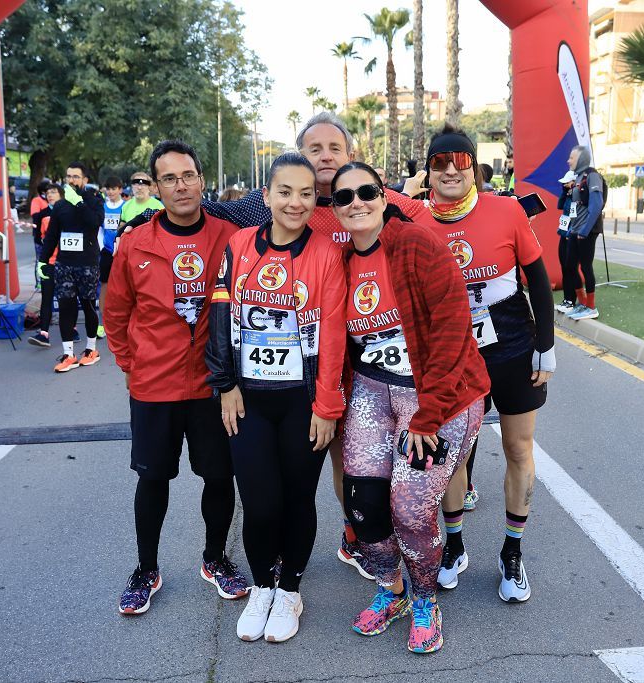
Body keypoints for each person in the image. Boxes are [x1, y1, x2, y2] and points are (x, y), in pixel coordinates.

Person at [195, 112, 430, 580]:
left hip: (367, 364)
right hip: (301, 372)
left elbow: (427, 219)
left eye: (334, 149)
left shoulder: (368, 197)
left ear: (351, 156)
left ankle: (384, 540)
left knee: (371, 465)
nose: (324, 157)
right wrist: (146, 213)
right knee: (335, 466)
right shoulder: (269, 211)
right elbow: (214, 211)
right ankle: (353, 533)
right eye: (313, 149)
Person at [333, 161, 489, 654]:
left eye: (366, 192)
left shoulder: (415, 244)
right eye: (344, 197)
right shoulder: (341, 259)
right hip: (372, 390)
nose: (356, 202)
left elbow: (451, 328)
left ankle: (426, 598)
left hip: (436, 395)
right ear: (334, 209)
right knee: (363, 505)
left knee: (412, 506)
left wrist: (428, 414)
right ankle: (392, 588)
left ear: (384, 197)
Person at [206, 153, 346, 643]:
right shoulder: (240, 244)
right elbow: (219, 317)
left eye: (306, 193)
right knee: (260, 502)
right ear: (265, 196)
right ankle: (263, 584)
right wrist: (224, 384)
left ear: (315, 200)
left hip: (302, 403)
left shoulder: (327, 253)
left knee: (297, 499)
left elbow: (332, 336)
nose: (296, 202)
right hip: (248, 401)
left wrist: (327, 405)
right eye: (285, 192)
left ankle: (290, 590)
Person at [104, 139, 247, 616]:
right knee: (152, 480)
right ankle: (146, 569)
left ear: (201, 180)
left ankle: (215, 559)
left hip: (213, 385)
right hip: (155, 386)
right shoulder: (135, 243)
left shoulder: (230, 237)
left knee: (219, 477)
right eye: (169, 178)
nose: (181, 185)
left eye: (188, 175)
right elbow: (117, 312)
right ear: (155, 187)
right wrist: (133, 363)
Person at [418, 127, 555, 604]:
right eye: (439, 162)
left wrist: (547, 345)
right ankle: (453, 547)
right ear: (427, 171)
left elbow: (537, 276)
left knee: (519, 448)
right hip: (452, 349)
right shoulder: (415, 220)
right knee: (454, 451)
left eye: (460, 160)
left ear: (474, 166)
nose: (450, 169)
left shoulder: (506, 209)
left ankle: (512, 552)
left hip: (513, 341)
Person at [38, 162, 104, 372]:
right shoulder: (60, 206)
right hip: (64, 264)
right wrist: (43, 259)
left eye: (76, 176)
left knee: (87, 306)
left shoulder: (93, 201)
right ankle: (68, 354)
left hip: (87, 264)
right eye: (69, 176)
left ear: (84, 180)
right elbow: (51, 236)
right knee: (66, 306)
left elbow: (95, 223)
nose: (72, 180)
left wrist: (80, 204)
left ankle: (91, 349)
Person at [564, 146, 603, 320]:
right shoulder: (578, 177)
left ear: (581, 159)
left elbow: (596, 205)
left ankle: (591, 307)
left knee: (586, 267)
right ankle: (582, 303)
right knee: (570, 266)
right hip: (575, 230)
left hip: (586, 231)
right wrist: (571, 229)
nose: (568, 160)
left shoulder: (592, 175)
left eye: (571, 157)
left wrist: (585, 231)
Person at [29, 184, 62, 347]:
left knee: (66, 299)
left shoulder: (68, 212)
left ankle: (73, 329)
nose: (50, 195)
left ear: (61, 195)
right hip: (48, 262)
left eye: (54, 192)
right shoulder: (42, 215)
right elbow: (38, 239)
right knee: (47, 298)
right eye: (48, 193)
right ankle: (43, 333)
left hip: (65, 263)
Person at [97, 176, 125, 338]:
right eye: (108, 189)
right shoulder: (102, 207)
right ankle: (102, 323)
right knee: (104, 286)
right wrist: (101, 248)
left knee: (123, 287)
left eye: (114, 189)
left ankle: (121, 321)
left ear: (120, 190)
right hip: (106, 252)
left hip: (121, 252)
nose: (111, 192)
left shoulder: (126, 206)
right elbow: (99, 229)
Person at [554, 170, 581, 314]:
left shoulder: (577, 196)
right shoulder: (568, 195)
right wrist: (564, 192)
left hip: (571, 236)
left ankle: (573, 300)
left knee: (571, 268)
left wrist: (570, 233)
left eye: (567, 182)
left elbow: (575, 216)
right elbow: (560, 205)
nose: (565, 185)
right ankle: (566, 299)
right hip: (562, 234)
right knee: (564, 268)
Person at [30, 179, 52, 288]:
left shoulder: (51, 201)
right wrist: (48, 212)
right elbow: (35, 216)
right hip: (39, 236)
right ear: (43, 191)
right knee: (40, 259)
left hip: (51, 237)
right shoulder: (37, 200)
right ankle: (39, 282)